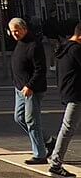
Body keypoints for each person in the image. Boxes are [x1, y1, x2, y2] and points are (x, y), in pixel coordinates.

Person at [9, 17, 48, 165]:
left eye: (17, 31)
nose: (14, 34)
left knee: (32, 121)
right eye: (12, 32)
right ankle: (48, 141)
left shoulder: (34, 44)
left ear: (24, 29)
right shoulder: (21, 43)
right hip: (20, 88)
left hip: (32, 89)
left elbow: (40, 69)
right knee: (19, 118)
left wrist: (30, 86)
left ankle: (40, 154)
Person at [47, 23, 81, 176]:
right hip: (77, 94)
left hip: (69, 93)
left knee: (67, 128)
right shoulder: (76, 50)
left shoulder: (64, 49)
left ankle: (55, 162)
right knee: (67, 129)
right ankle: (55, 163)